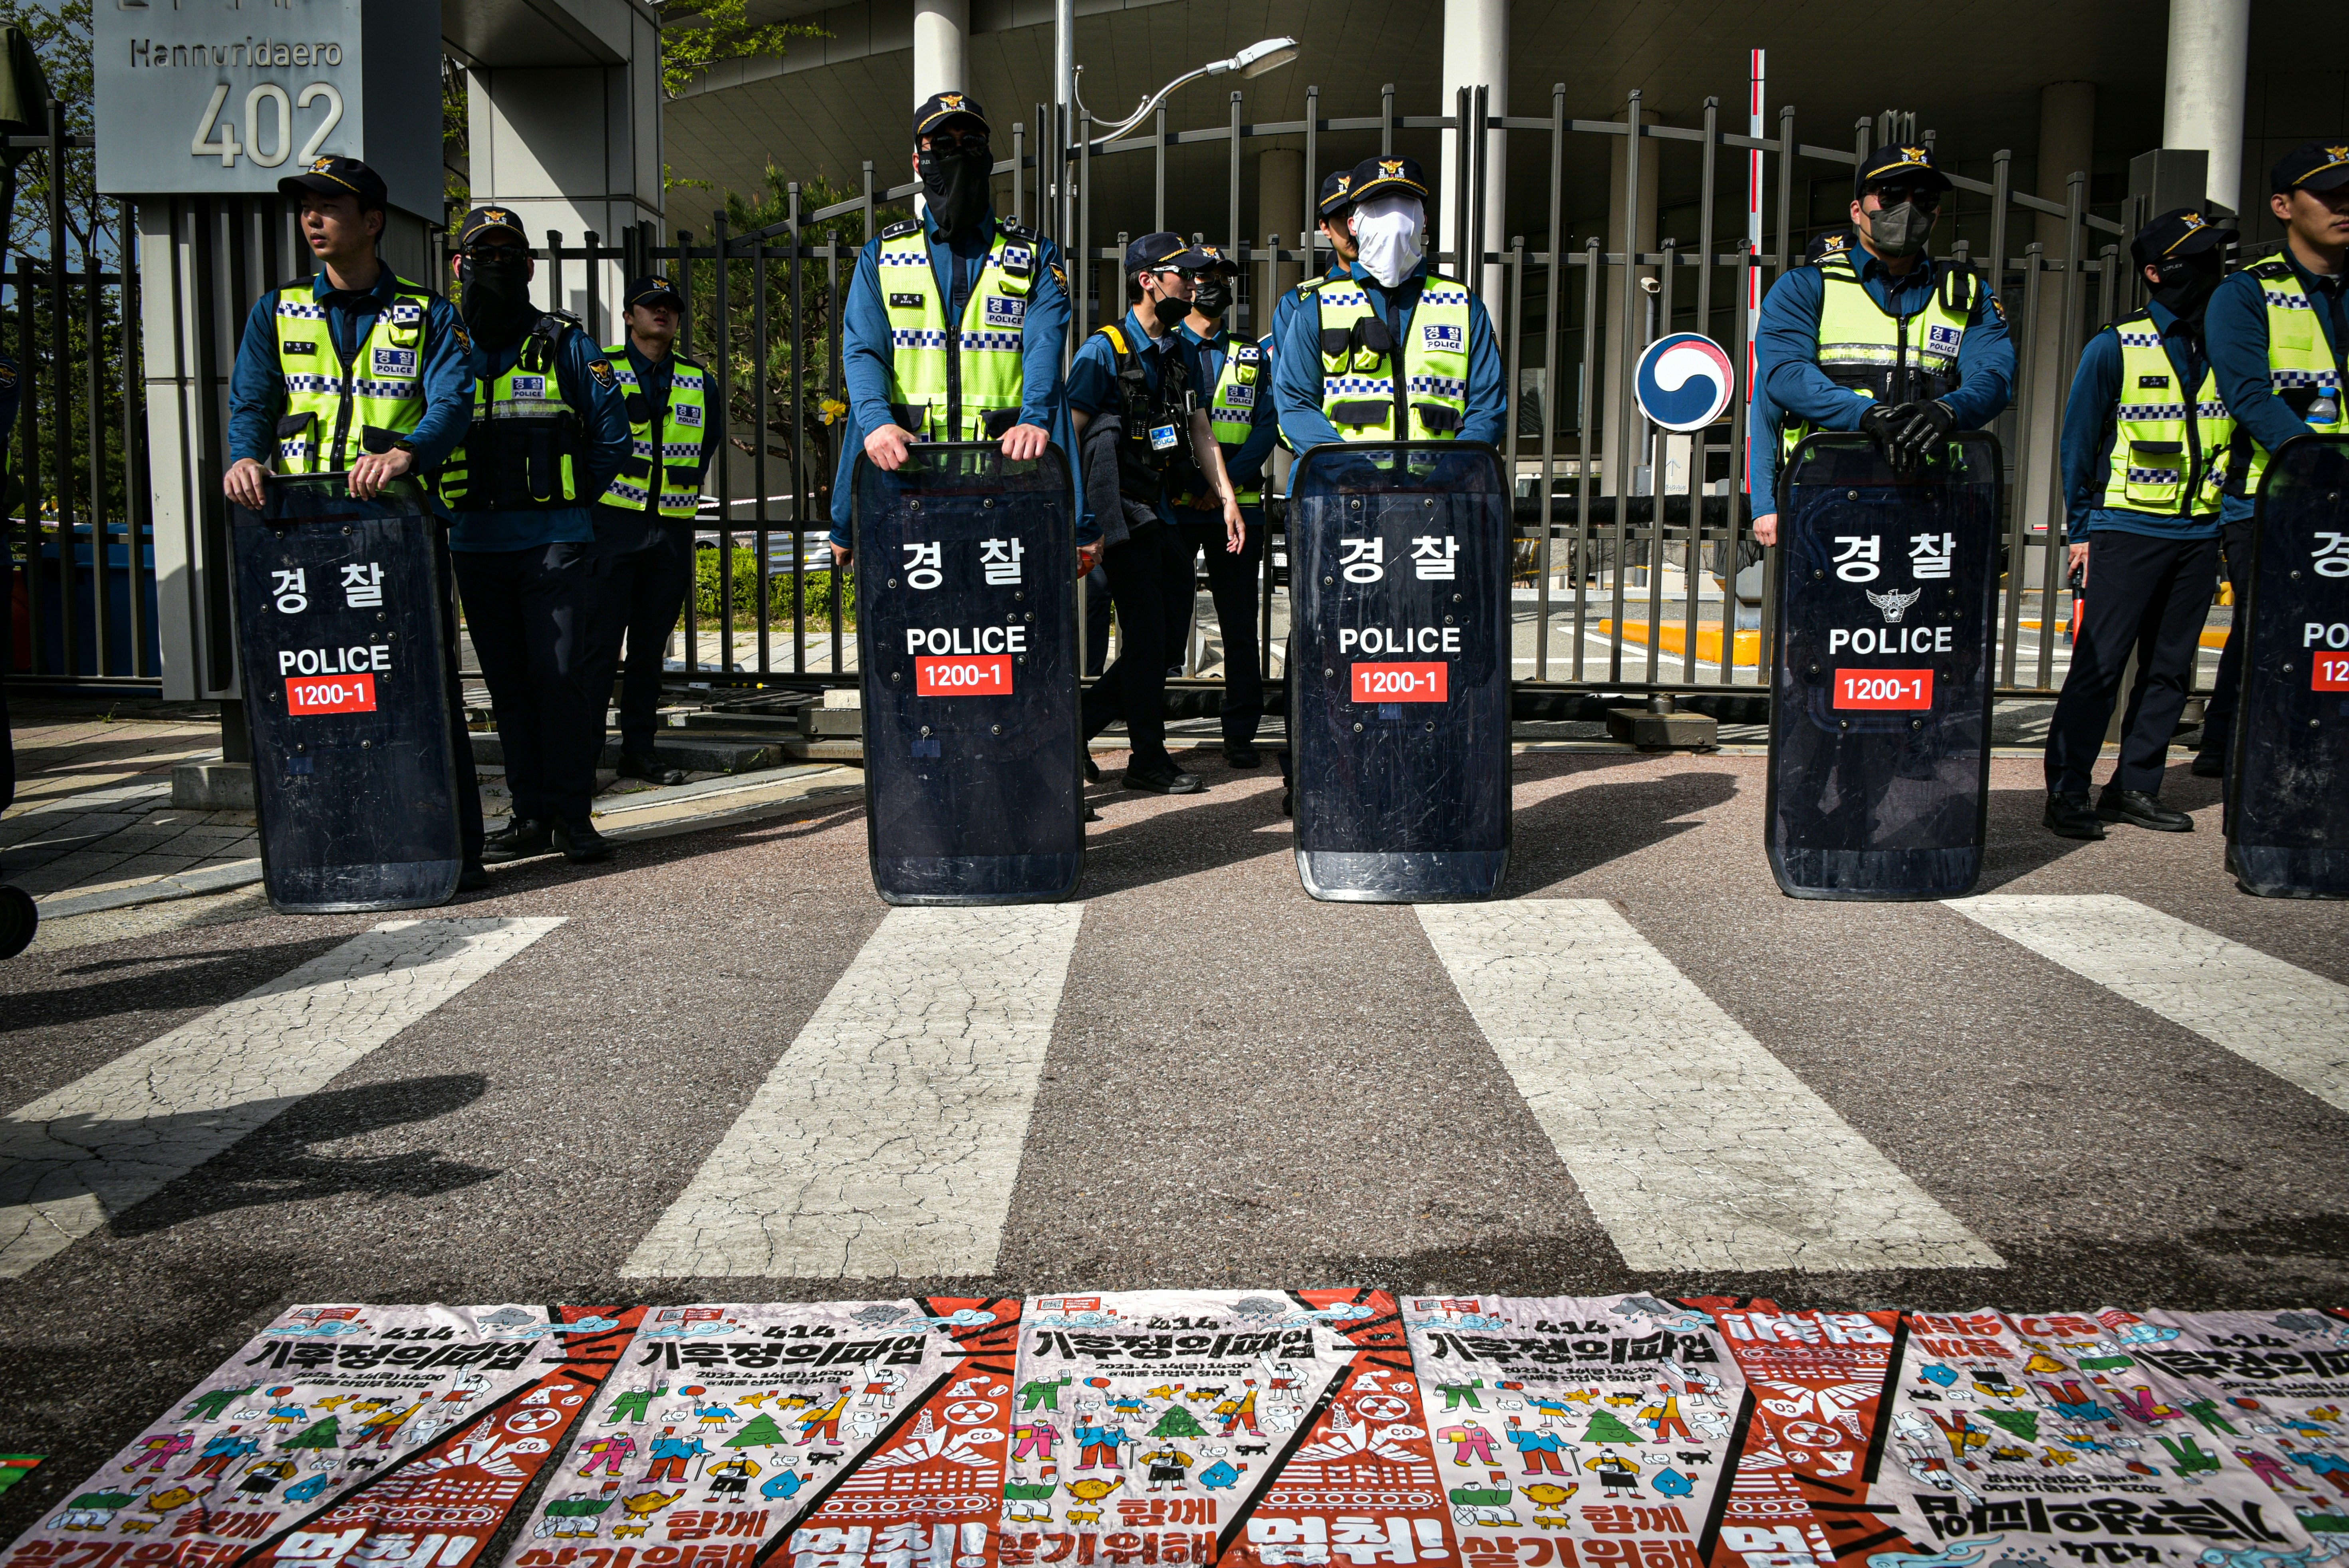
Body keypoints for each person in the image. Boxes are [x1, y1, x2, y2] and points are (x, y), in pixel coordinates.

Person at [221, 156, 488, 891]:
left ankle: (453, 850)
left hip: (392, 530)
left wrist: (409, 452)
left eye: (329, 207)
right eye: (305, 206)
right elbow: (252, 402)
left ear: (372, 221)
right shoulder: (275, 311)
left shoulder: (429, 314)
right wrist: (245, 459)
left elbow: (453, 403)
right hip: (300, 535)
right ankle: (326, 843)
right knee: (316, 688)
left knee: (419, 687)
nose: (312, 218)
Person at [438, 204, 633, 865]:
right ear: (458, 264)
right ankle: (527, 815)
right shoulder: (442, 345)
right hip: (474, 543)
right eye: (480, 254)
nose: (493, 265)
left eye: (506, 255)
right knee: (509, 689)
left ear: (526, 266)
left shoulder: (565, 343)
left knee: (559, 681)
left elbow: (613, 437)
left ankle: (572, 817)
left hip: (553, 542)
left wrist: (570, 496)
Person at [2041, 208, 2236, 840]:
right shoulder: (2115, 346)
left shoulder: (2229, 347)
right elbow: (2077, 443)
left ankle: (2134, 787)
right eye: (2195, 260)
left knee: (2169, 669)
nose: (2210, 270)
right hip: (2126, 528)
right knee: (2099, 667)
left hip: (2199, 530)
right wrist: (2083, 532)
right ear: (2155, 272)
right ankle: (2067, 791)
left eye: (2214, 257)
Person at [828, 92, 1078, 565]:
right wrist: (877, 429)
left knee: (1009, 632)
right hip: (907, 488)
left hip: (1008, 489)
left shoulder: (1034, 256)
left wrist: (1034, 421)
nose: (957, 151)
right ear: (919, 160)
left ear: (987, 156)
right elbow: (864, 355)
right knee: (910, 635)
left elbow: (1044, 351)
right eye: (942, 143)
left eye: (971, 142)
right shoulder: (882, 255)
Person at [1751, 143, 2014, 543]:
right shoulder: (1806, 287)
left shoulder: (1967, 294)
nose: (1908, 209)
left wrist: (1949, 409)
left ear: (1937, 212)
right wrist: (1867, 415)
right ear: (1857, 210)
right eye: (1891, 195)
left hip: (1935, 500)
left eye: (1924, 198)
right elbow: (1784, 376)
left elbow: (1994, 376)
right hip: (1826, 499)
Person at [1070, 233, 1249, 795]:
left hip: (1162, 512)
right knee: (1147, 639)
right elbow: (1069, 435)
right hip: (1121, 516)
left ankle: (1073, 729)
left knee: (1168, 644)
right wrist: (1081, 522)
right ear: (1148, 280)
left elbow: (1200, 429)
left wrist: (1227, 498)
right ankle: (1147, 757)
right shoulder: (1103, 351)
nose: (1194, 284)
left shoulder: (1176, 351)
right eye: (1182, 274)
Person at [2197, 140, 2349, 777]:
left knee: (2328, 632)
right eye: (2330, 194)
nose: (2345, 206)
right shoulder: (2246, 294)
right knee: (2274, 626)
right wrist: (2321, 469)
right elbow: (2250, 397)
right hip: (2273, 497)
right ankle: (2241, 752)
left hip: (2342, 496)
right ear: (2283, 207)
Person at [1271, 155, 1509, 449]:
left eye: (1406, 203)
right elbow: (1295, 403)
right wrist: (1350, 471)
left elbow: (1488, 407)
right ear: (1353, 224)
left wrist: (1449, 474)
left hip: (1439, 488)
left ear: (1423, 221)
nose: (1394, 219)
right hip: (1344, 489)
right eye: (1378, 205)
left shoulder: (1464, 306)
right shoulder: (1316, 307)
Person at [595, 274, 721, 787]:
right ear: (629, 316)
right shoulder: (601, 369)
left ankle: (639, 751)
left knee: (649, 652)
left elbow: (707, 441)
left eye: (670, 306)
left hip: (670, 529)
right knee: (598, 649)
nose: (661, 313)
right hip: (610, 526)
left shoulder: (698, 378)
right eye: (650, 306)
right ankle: (583, 755)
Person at [1168, 244, 1281, 766]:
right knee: (1166, 621)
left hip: (1241, 508)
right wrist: (1196, 481)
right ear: (1185, 284)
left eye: (1222, 276)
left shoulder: (1252, 354)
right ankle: (1152, 730)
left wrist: (1223, 484)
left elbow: (1267, 426)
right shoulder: (1165, 348)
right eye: (1204, 276)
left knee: (1239, 626)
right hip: (1177, 505)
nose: (1216, 284)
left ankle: (1240, 731)